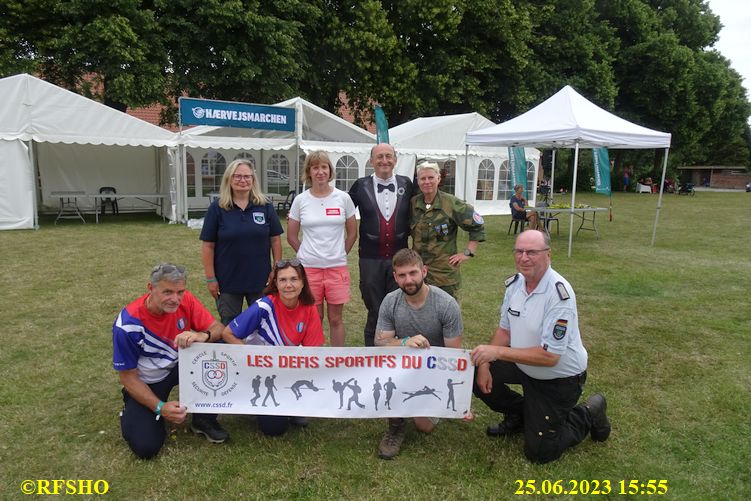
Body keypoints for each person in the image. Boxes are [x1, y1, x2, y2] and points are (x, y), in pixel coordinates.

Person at [470, 230, 611, 464]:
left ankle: (588, 412)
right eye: (519, 251)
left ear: (548, 254)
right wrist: (485, 362)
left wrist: (496, 353)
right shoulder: (515, 284)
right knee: (473, 367)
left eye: (532, 252)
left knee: (540, 453)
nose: (524, 257)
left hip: (558, 378)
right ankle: (521, 414)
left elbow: (550, 357)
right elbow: (505, 331)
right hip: (524, 365)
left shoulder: (559, 295)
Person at [112, 263, 228, 459]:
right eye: (167, 292)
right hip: (149, 381)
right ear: (151, 288)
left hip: (181, 366)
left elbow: (218, 328)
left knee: (221, 345)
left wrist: (203, 335)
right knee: (146, 448)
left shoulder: (186, 300)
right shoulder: (128, 324)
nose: (175, 299)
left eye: (180, 292)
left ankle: (203, 419)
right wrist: (160, 407)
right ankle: (133, 408)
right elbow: (128, 377)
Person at [374, 248, 463, 459]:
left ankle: (419, 404)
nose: (409, 280)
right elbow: (380, 342)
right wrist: (405, 342)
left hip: (434, 370)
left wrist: (458, 400)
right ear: (395, 277)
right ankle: (395, 427)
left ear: (424, 271)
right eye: (402, 275)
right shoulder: (390, 301)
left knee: (424, 426)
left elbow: (454, 354)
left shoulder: (446, 304)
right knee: (385, 368)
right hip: (401, 367)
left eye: (413, 273)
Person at [222, 258, 324, 435]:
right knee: (274, 429)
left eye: (294, 279)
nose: (288, 285)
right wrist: (253, 358)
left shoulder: (309, 308)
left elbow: (312, 351)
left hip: (289, 371)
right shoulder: (264, 306)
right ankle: (253, 401)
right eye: (283, 280)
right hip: (259, 372)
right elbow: (227, 334)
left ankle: (292, 406)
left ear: (303, 283)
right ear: (275, 283)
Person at [200, 159, 283, 325]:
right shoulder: (217, 208)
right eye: (237, 176)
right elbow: (208, 246)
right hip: (227, 280)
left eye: (247, 176)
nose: (242, 180)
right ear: (229, 180)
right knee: (230, 325)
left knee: (263, 324)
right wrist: (211, 278)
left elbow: (275, 240)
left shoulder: (265, 206)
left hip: (261, 280)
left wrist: (276, 269)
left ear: (253, 180)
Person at [288, 151, 357, 346]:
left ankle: (337, 361)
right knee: (314, 318)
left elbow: (352, 233)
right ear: (309, 172)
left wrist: (341, 253)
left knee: (335, 319)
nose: (320, 172)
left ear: (330, 171)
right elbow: (291, 236)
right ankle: (315, 361)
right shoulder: (301, 200)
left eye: (324, 167)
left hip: (336, 269)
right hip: (310, 269)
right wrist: (304, 254)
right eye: (315, 167)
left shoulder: (343, 198)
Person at [348, 143, 413, 346]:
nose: (384, 161)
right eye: (379, 157)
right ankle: (371, 351)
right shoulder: (360, 185)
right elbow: (341, 210)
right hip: (369, 259)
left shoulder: (408, 184)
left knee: (399, 306)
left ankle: (398, 352)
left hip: (400, 259)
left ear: (395, 159)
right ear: (371, 161)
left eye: (388, 156)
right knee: (374, 307)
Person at [410, 161, 485, 298]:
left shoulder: (451, 203)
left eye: (431, 177)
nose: (427, 182)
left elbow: (477, 225)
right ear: (418, 181)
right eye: (423, 178)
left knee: (446, 313)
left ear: (438, 179)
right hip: (418, 272)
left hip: (444, 275)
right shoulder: (413, 204)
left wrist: (468, 253)